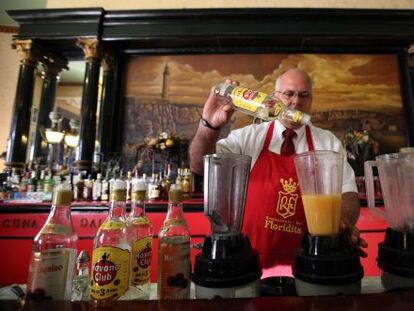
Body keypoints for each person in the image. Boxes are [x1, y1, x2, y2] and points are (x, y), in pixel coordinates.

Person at [189, 68, 367, 277]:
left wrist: (342, 222)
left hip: (310, 268)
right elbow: (201, 166)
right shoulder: (246, 138)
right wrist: (209, 126)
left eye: (303, 95)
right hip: (247, 267)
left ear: (311, 100)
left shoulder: (327, 142)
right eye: (289, 94)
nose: (296, 101)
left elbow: (348, 194)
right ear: (274, 98)